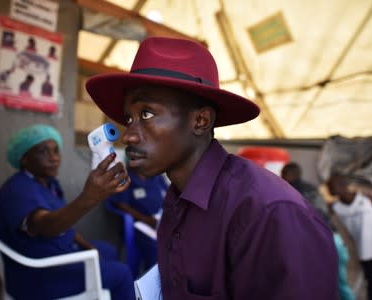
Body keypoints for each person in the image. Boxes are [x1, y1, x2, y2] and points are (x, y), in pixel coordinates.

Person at [85, 36, 338, 299]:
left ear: (200, 121)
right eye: (129, 119)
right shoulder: (175, 203)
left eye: (147, 114)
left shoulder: (272, 214)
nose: (129, 136)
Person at [0, 124, 135, 300]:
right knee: (122, 274)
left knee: (107, 250)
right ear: (24, 159)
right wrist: (88, 197)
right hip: (37, 275)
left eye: (56, 150)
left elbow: (64, 224)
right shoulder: (17, 190)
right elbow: (44, 225)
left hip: (58, 253)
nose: (53, 158)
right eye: (43, 152)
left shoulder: (49, 184)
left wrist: (87, 247)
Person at [282, 162, 355, 300]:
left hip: (318, 242)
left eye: (283, 174)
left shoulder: (290, 191)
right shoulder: (313, 189)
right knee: (342, 285)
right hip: (336, 239)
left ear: (289, 175)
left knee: (317, 285)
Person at [107, 165, 169, 271]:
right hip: (140, 224)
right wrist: (147, 220)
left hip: (161, 219)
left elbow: (169, 194)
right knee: (156, 248)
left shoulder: (156, 176)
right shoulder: (126, 178)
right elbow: (122, 205)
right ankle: (154, 281)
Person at [327, 173, 372, 300]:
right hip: (361, 251)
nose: (328, 187)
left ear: (344, 185)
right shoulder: (335, 207)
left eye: (331, 184)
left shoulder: (366, 198)